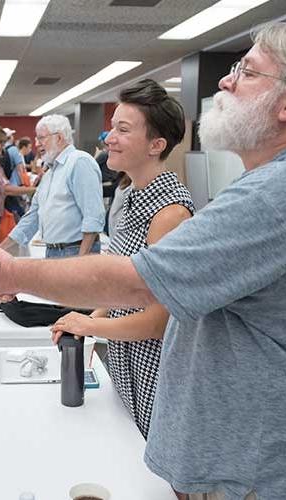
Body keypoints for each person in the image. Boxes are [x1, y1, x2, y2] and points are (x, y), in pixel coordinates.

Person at [0, 22, 286, 500]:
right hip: (244, 451)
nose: (224, 81)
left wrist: (10, 273)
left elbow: (139, 284)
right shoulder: (275, 182)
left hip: (264, 462)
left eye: (247, 72)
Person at [50, 79, 194, 438]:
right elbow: (124, 290)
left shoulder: (170, 214)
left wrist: (90, 326)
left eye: (123, 129)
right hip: (125, 355)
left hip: (155, 367)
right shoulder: (129, 195)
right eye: (112, 127)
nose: (108, 137)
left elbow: (159, 320)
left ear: (156, 145)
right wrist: (86, 317)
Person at [1, 115, 105, 258]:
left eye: (41, 138)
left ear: (59, 138)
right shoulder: (51, 172)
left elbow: (93, 216)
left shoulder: (79, 162)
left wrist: (81, 260)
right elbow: (32, 217)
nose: (37, 144)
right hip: (53, 251)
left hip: (74, 251)